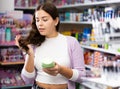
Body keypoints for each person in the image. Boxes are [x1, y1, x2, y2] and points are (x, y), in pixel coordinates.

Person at [15, 2, 86, 89]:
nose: (40, 24)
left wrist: (61, 70)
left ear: (56, 21)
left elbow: (82, 77)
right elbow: (27, 79)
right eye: (37, 20)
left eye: (44, 20)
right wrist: (30, 54)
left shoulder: (71, 42)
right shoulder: (33, 44)